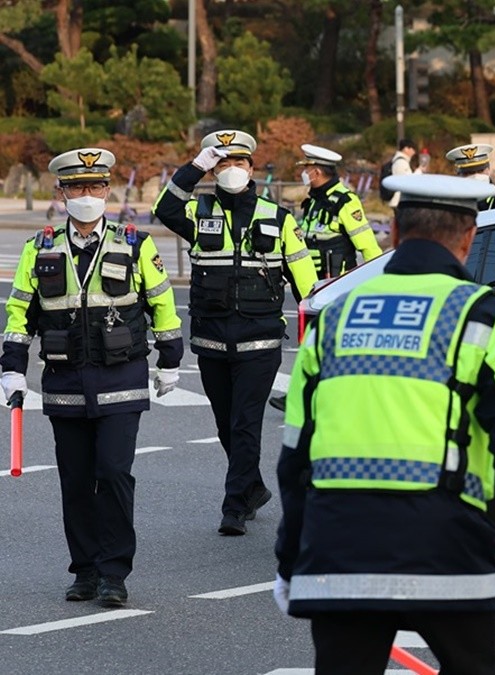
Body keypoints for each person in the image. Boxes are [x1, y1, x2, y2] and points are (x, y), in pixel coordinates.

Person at [274, 173, 495, 675]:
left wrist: (289, 559)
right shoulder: (481, 315)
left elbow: (297, 453)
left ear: (393, 232)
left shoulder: (336, 318)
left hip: (341, 544)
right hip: (444, 542)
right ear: (469, 237)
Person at [2, 148, 184, 607]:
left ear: (108, 190)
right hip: (64, 384)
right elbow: (20, 311)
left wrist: (170, 359)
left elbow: (162, 302)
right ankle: (84, 570)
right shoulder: (39, 248)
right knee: (76, 481)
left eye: (96, 186)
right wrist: (11, 369)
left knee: (115, 473)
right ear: (61, 193)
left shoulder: (135, 243)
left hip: (120, 377)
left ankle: (113, 573)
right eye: (78, 187)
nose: (88, 195)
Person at [152, 129, 317, 536]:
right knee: (227, 424)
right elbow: (164, 208)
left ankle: (233, 507)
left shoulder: (279, 219)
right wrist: (194, 168)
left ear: (251, 168)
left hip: (260, 343)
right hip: (211, 342)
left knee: (245, 424)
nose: (230, 170)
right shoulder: (199, 213)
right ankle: (253, 488)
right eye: (222, 163)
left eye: (237, 163)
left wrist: (318, 338)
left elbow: (307, 287)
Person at [295, 144, 383, 279]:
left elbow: (367, 244)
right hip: (314, 279)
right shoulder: (314, 200)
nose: (304, 174)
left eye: (307, 170)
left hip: (337, 280)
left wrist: (379, 278)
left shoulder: (345, 201)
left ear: (317, 172)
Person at [446, 142, 495, 209]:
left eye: (480, 171)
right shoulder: (451, 207)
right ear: (458, 175)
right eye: (468, 173)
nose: (476, 176)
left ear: (488, 170)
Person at [386, 138, 417, 209]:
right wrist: (419, 171)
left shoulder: (400, 161)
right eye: (412, 149)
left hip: (398, 200)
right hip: (398, 200)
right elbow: (407, 181)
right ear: (406, 149)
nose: (414, 152)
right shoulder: (401, 162)